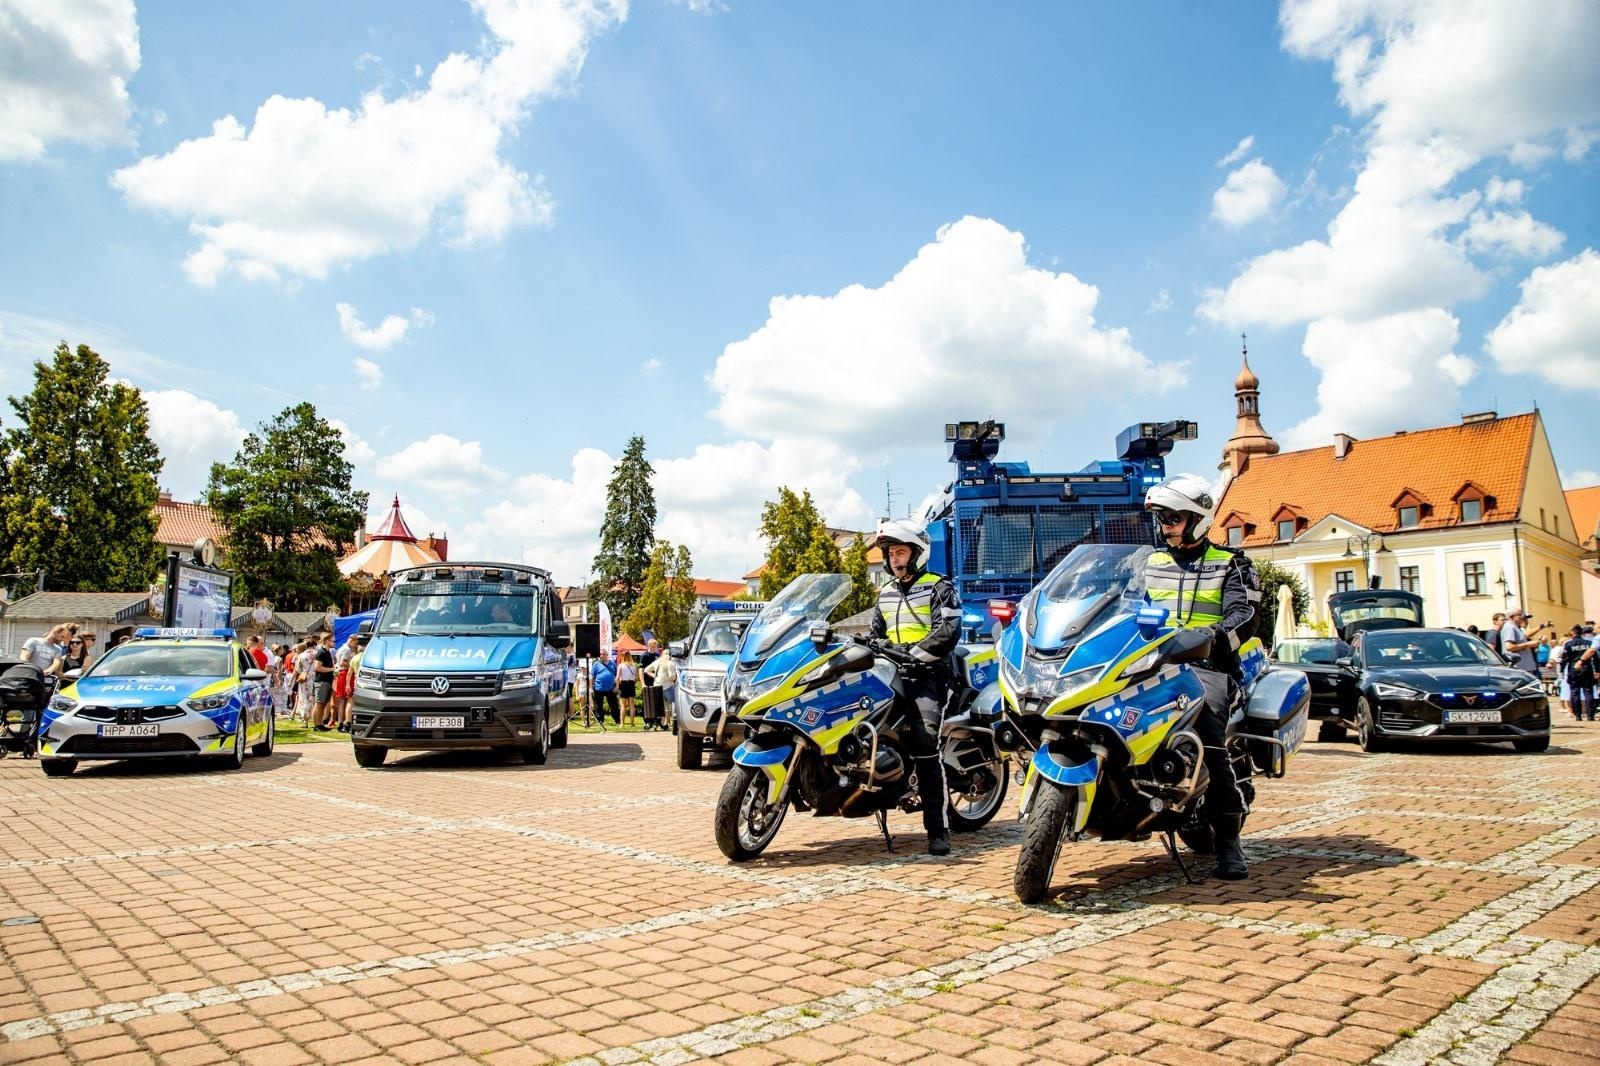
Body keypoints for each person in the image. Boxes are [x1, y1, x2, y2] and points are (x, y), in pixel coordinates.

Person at [1143, 474, 1262, 882]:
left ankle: (1229, 843)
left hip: (1207, 666)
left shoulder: (1232, 564)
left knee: (1211, 736)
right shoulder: (1150, 562)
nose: (1166, 527)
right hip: (1154, 662)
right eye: (1162, 519)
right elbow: (1118, 605)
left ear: (1196, 519)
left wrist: (1211, 638)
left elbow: (1244, 617)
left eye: (1173, 518)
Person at [870, 518, 961, 856]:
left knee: (925, 741)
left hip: (930, 676)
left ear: (918, 553)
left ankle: (938, 831)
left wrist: (915, 655)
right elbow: (876, 636)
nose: (895, 558)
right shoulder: (885, 592)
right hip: (892, 674)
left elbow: (948, 631)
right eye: (891, 553)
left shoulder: (940, 586)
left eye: (901, 551)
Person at [1500, 609, 1550, 676]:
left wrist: (1542, 626)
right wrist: (1528, 644)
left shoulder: (1515, 627)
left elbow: (1526, 634)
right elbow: (1509, 647)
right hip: (1519, 669)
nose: (1523, 617)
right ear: (1512, 616)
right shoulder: (1509, 627)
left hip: (1523, 668)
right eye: (1520, 615)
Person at [642, 645, 678, 731]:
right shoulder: (670, 663)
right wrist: (676, 677)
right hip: (668, 687)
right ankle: (671, 722)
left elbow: (646, 670)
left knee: (662, 707)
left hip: (657, 687)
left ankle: (662, 724)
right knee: (673, 704)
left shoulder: (657, 662)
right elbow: (672, 677)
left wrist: (656, 676)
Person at [1562, 625, 1594, 721]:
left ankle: (1578, 715)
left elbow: (1564, 659)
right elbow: (1595, 657)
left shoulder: (1568, 644)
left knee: (1575, 692)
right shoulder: (1589, 643)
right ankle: (1590, 715)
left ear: (1573, 632)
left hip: (1573, 669)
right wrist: (1597, 669)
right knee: (1588, 691)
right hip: (1586, 668)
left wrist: (1561, 671)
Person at [310, 634, 337, 731]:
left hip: (326, 681)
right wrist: (331, 669)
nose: (333, 642)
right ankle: (317, 725)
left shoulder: (327, 652)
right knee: (319, 703)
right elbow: (317, 667)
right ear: (327, 641)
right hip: (321, 681)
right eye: (332, 641)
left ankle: (320, 723)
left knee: (323, 704)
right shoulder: (321, 652)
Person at [590, 654, 619, 727]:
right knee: (599, 706)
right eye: (600, 654)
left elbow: (617, 676)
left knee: (614, 705)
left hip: (611, 688)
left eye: (603, 654)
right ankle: (600, 720)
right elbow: (592, 677)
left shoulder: (612, 663)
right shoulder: (596, 664)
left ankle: (617, 720)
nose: (601, 656)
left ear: (607, 655)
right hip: (598, 688)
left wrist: (617, 686)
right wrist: (590, 688)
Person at [616, 651, 638, 727]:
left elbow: (618, 678)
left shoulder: (621, 665)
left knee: (623, 705)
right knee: (632, 705)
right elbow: (637, 677)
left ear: (622, 657)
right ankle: (632, 723)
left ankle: (622, 723)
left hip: (623, 684)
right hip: (631, 684)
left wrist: (617, 686)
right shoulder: (634, 665)